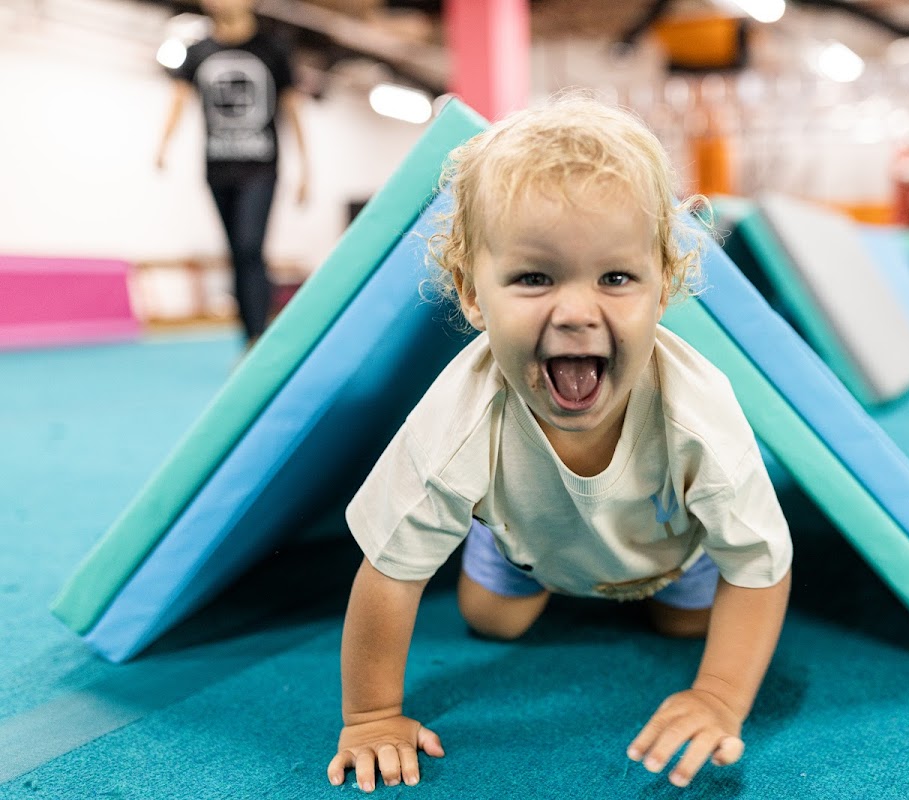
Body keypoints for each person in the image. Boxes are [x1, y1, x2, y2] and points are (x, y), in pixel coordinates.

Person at [326, 94, 793, 793]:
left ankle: (656, 588)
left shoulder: (696, 414)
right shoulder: (461, 416)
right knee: (492, 623)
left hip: (667, 552)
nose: (576, 313)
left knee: (687, 629)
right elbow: (391, 569)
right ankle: (495, 537)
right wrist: (370, 716)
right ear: (472, 293)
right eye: (534, 277)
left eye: (615, 277)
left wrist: (719, 696)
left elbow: (759, 564)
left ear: (662, 285)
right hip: (531, 547)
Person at [154, 0, 310, 348]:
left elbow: (292, 107)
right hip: (217, 168)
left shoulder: (272, 48)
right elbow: (178, 98)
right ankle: (249, 335)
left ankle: (259, 337)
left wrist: (306, 168)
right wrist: (163, 145)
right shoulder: (198, 52)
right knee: (236, 253)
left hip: (261, 167)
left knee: (250, 246)